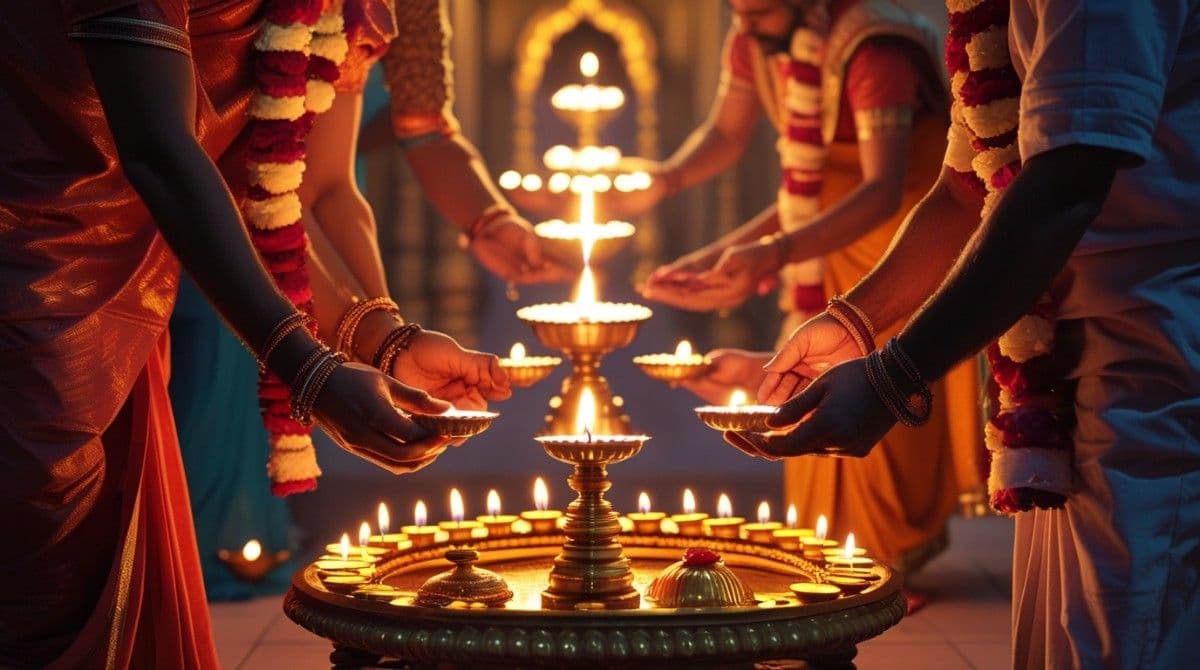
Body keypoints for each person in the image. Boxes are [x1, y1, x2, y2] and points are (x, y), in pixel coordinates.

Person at [0, 1, 502, 665]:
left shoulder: (339, 9)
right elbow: (161, 151)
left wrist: (385, 343)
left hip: (128, 307)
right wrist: (310, 369)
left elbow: (274, 186)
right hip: (27, 282)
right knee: (36, 600)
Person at [735, 1, 1200, 666]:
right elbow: (965, 188)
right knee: (1059, 643)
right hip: (1065, 367)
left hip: (1147, 357)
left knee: (1125, 638)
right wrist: (853, 323)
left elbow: (1067, 182)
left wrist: (896, 375)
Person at [568, 0, 983, 581]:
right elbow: (726, 135)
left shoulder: (875, 53)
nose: (744, 26)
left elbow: (881, 193)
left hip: (896, 247)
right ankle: (841, 556)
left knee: (875, 389)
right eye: (737, 11)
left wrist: (772, 251)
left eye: (759, 12)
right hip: (823, 232)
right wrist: (669, 190)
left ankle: (884, 563)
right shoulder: (756, 38)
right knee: (813, 377)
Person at [171, 0, 567, 600]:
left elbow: (330, 186)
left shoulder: (373, 11)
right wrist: (364, 340)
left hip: (283, 231)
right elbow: (234, 178)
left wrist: (388, 345)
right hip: (167, 242)